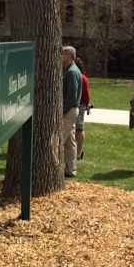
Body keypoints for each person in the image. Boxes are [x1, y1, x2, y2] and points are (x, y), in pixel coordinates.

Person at [60, 47, 83, 178]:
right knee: (70, 142)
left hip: (69, 111)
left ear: (68, 56)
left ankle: (55, 168)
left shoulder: (72, 72)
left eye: (62, 53)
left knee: (59, 139)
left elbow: (71, 96)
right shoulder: (71, 70)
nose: (60, 56)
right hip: (72, 110)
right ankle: (71, 170)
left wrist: (62, 111)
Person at [76, 58, 91, 160]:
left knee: (79, 128)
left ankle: (79, 152)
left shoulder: (83, 78)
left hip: (80, 105)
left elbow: (86, 95)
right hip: (76, 105)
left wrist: (86, 105)